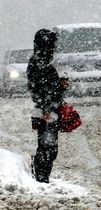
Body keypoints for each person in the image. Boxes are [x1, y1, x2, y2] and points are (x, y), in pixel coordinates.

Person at [27, 29, 68, 183]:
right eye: (53, 43)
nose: (55, 46)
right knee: (48, 147)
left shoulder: (42, 61)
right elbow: (38, 89)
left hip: (48, 110)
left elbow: (41, 88)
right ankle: (41, 178)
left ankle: (41, 176)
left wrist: (59, 87)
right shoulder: (40, 62)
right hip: (47, 111)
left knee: (48, 147)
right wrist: (49, 105)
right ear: (46, 44)